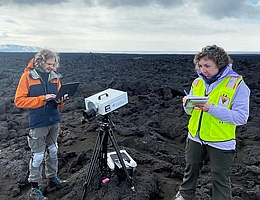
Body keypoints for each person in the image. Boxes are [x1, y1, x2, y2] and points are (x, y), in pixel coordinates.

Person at [174, 45, 250, 200]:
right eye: (200, 66)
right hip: (195, 137)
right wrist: (186, 105)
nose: (203, 70)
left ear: (220, 65)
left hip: (220, 141)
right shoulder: (197, 82)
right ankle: (184, 196)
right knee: (190, 172)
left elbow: (241, 117)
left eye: (207, 66)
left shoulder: (237, 85)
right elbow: (192, 112)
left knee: (220, 179)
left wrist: (211, 109)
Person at [14, 49, 68, 200]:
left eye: (53, 64)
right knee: (37, 156)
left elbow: (58, 101)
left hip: (54, 120)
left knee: (53, 150)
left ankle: (53, 178)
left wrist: (61, 101)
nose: (52, 67)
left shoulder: (55, 77)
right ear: (40, 61)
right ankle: (34, 188)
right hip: (38, 122)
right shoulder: (27, 77)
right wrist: (42, 98)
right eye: (49, 64)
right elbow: (19, 101)